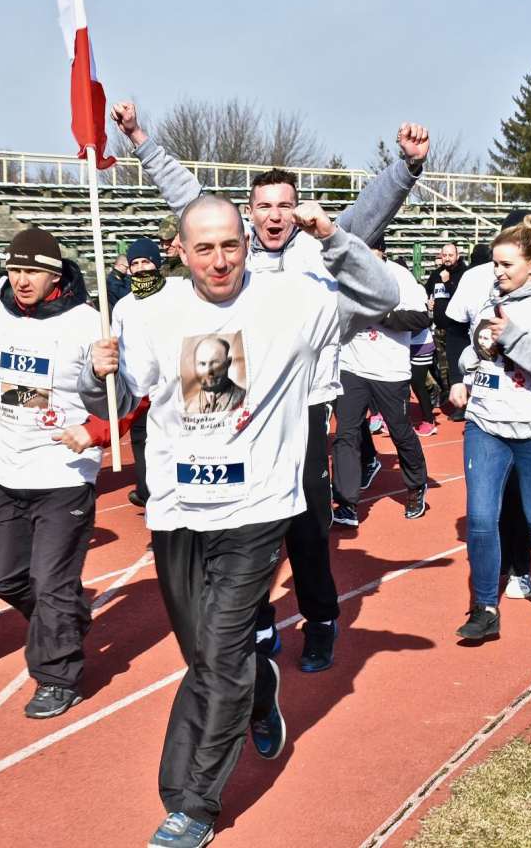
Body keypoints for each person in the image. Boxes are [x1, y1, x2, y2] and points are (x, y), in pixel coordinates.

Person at [83, 195, 397, 848]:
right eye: (204, 247)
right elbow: (116, 395)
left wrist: (332, 235)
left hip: (257, 512)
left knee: (220, 657)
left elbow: (382, 291)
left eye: (231, 244)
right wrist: (96, 373)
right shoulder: (147, 314)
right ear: (180, 251)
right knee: (206, 657)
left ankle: (191, 804)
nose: (220, 260)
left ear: (247, 242)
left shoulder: (292, 302)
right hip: (178, 513)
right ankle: (258, 690)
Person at [112, 98, 426, 674]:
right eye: (263, 206)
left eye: (285, 205)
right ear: (249, 215)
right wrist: (141, 142)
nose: (275, 215)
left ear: (297, 210)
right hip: (235, 404)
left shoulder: (317, 253)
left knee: (304, 523)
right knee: (234, 521)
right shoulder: (235, 255)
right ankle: (254, 626)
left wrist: (404, 169)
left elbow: (366, 221)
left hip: (302, 407)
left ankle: (322, 620)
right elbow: (190, 202)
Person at [0, 227, 117, 721]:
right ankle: (68, 619)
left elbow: (126, 397)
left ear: (54, 274)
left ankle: (57, 676)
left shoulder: (88, 323)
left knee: (52, 582)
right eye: (16, 269)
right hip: (8, 471)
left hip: (65, 473)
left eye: (32, 271)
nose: (21, 280)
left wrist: (97, 433)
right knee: (2, 576)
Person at [450, 216, 531, 640]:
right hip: (486, 424)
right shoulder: (489, 300)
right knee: (482, 519)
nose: (497, 271)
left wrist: (514, 337)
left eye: (506, 265)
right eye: (495, 263)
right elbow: (478, 354)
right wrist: (468, 365)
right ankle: (485, 608)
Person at [332, 251, 432, 526]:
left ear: (381, 253)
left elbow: (421, 319)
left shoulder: (400, 277)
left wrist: (381, 315)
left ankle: (415, 486)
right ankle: (346, 502)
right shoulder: (344, 272)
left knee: (400, 431)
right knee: (345, 434)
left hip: (390, 370)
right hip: (351, 366)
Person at [112, 237, 165, 507]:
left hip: (169, 390)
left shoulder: (173, 296)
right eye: (135, 263)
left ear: (156, 263)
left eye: (146, 261)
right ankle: (145, 491)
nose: (142, 268)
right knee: (141, 443)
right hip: (137, 391)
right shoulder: (123, 307)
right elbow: (117, 345)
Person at [425, 240, 467, 408]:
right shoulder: (436, 274)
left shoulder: (463, 273)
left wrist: (448, 283)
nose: (448, 258)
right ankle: (447, 395)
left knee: (455, 366)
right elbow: (427, 293)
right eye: (445, 255)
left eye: (451, 255)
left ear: (457, 256)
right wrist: (428, 303)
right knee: (441, 367)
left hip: (456, 330)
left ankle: (460, 402)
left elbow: (462, 299)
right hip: (439, 328)